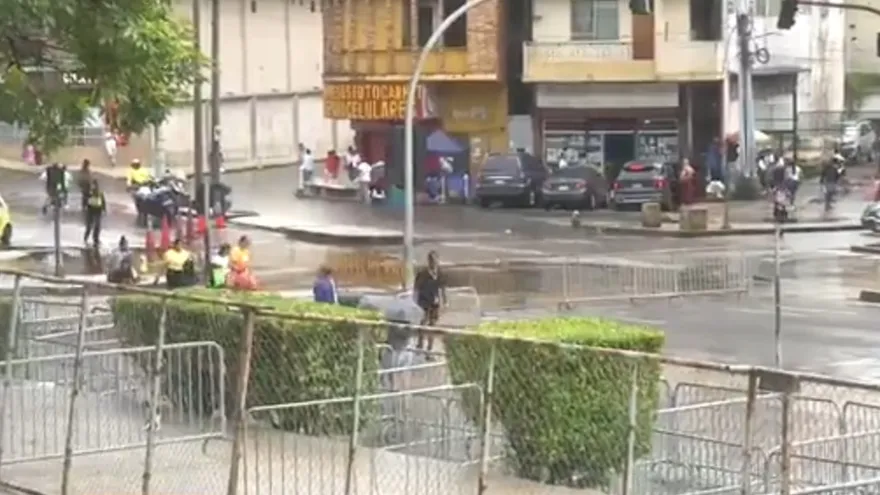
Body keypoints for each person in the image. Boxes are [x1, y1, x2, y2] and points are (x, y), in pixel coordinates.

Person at [414, 250, 446, 356]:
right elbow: (417, 288)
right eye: (432, 260)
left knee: (432, 325)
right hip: (424, 302)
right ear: (429, 261)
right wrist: (416, 301)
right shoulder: (423, 273)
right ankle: (420, 345)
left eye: (436, 260)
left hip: (434, 303)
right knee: (423, 323)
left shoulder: (439, 274)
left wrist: (444, 301)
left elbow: (442, 288)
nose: (434, 262)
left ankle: (429, 348)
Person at [83, 179, 106, 245]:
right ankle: (86, 238)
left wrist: (104, 209)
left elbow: (103, 201)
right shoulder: (89, 192)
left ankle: (96, 239)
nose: (94, 187)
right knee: (89, 225)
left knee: (97, 225)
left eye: (95, 185)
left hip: (98, 210)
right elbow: (85, 199)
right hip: (91, 209)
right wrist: (84, 207)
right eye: (93, 185)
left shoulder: (100, 193)